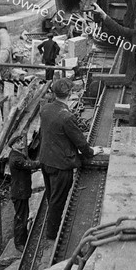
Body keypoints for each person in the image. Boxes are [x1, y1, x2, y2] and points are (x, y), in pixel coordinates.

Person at [39, 78, 103, 240]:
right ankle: (52, 235)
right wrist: (91, 152)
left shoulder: (45, 109)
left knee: (52, 195)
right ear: (70, 94)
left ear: (54, 93)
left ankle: (50, 226)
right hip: (61, 165)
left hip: (46, 160)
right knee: (58, 201)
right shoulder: (66, 117)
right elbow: (80, 142)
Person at [8, 134, 40, 252]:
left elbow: (29, 162)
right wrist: (43, 162)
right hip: (19, 192)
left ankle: (23, 238)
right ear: (12, 146)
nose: (22, 143)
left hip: (21, 191)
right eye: (18, 142)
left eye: (21, 140)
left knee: (23, 215)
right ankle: (19, 243)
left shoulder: (18, 154)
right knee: (21, 217)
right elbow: (30, 165)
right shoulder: (16, 159)